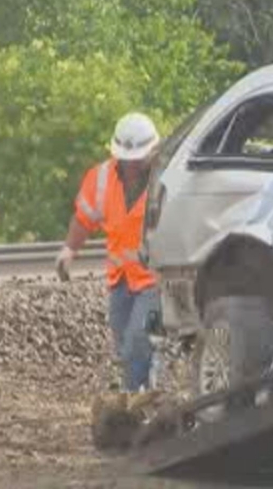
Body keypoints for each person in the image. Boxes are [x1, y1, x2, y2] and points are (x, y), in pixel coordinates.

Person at [55, 112, 162, 392]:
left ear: (152, 153)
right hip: (121, 280)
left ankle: (136, 399)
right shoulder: (101, 178)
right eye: (126, 159)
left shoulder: (166, 181)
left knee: (139, 343)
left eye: (136, 159)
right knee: (125, 346)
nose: (130, 165)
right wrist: (69, 250)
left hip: (155, 280)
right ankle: (140, 397)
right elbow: (84, 217)